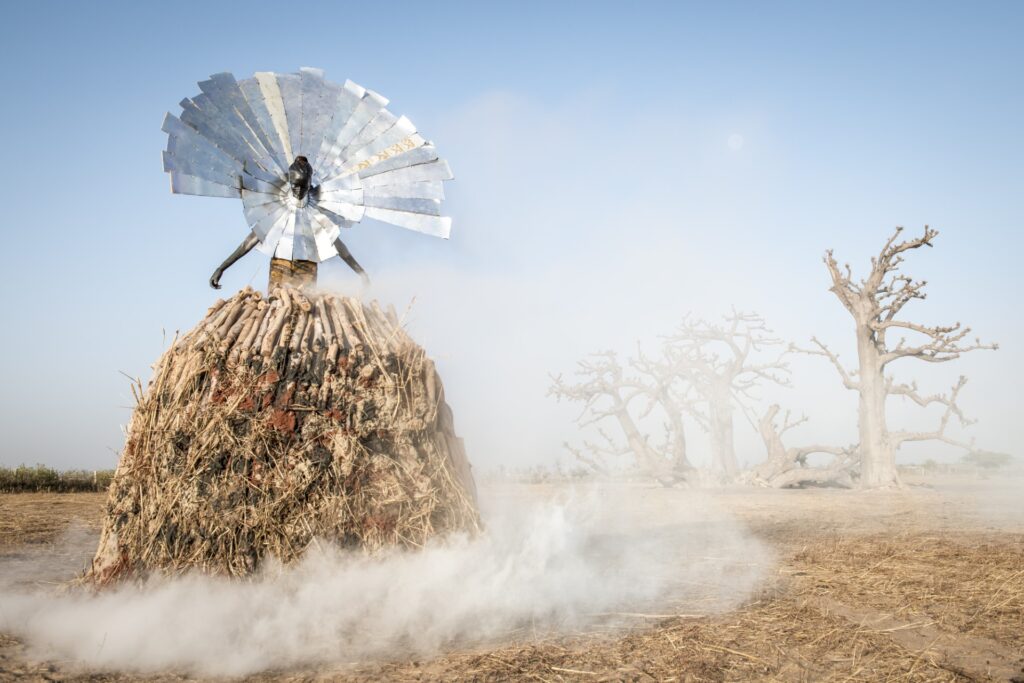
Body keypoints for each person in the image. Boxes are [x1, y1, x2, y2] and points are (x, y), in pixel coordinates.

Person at [209, 157, 369, 289]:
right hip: (280, 267)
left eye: (303, 186)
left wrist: (360, 272)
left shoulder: (318, 210)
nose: (298, 190)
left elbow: (337, 245)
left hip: (307, 268)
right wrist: (222, 267)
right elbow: (250, 241)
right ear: (290, 182)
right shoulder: (276, 205)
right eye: (295, 186)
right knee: (278, 307)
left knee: (305, 313)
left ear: (309, 183)